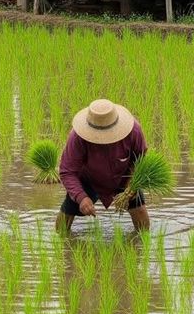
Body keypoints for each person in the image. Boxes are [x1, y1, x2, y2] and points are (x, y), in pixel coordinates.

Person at [56, 98, 150, 233]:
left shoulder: (133, 130)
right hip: (87, 178)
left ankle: (142, 247)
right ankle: (61, 245)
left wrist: (132, 185)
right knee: (66, 216)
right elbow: (67, 171)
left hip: (124, 177)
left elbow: (141, 159)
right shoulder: (77, 137)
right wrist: (81, 197)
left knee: (140, 212)